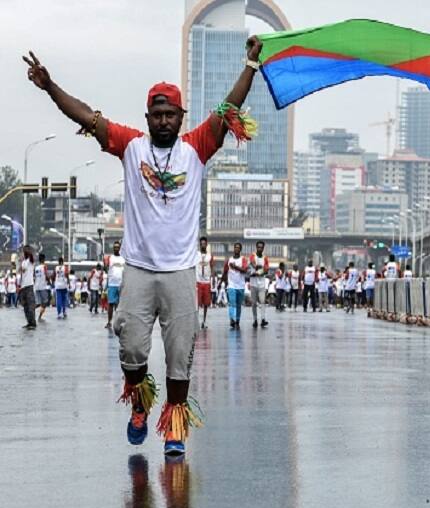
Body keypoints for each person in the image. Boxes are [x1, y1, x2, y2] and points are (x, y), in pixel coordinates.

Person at [23, 35, 263, 455]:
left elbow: (230, 108)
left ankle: (174, 427)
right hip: (137, 269)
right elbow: (86, 115)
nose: (164, 121)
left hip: (180, 271)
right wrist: (50, 87)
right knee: (131, 349)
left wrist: (251, 65)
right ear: (148, 117)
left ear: (181, 117)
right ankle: (139, 406)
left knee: (180, 355)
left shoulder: (197, 148)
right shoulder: (131, 146)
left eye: (171, 114)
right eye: (157, 115)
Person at [221, 242, 247, 329]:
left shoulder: (243, 259)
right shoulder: (229, 260)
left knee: (238, 305)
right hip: (231, 285)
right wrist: (221, 283)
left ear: (240, 249)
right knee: (232, 303)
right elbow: (225, 272)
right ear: (234, 249)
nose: (236, 249)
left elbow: (244, 270)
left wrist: (235, 267)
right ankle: (232, 319)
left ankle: (237, 321)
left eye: (238, 248)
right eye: (235, 247)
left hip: (240, 286)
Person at [248, 241, 269, 328]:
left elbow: (266, 270)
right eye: (258, 247)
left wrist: (257, 273)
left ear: (263, 248)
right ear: (256, 247)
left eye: (261, 247)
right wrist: (259, 268)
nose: (260, 249)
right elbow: (253, 264)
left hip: (262, 284)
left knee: (263, 301)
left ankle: (263, 319)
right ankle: (255, 320)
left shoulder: (265, 258)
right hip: (253, 284)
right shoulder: (252, 256)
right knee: (253, 303)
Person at [106, 240, 125, 329]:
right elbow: (106, 269)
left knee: (119, 305)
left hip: (121, 284)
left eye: (117, 247)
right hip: (112, 284)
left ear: (120, 248)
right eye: (115, 247)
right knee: (111, 303)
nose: (116, 249)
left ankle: (117, 322)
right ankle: (109, 321)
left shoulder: (123, 258)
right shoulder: (110, 258)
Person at [196, 237, 214, 330]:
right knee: (197, 303)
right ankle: (197, 321)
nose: (203, 245)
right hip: (198, 281)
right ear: (199, 245)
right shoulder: (196, 255)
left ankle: (204, 321)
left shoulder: (210, 256)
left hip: (206, 282)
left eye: (204, 244)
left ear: (206, 244)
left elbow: (212, 267)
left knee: (206, 303)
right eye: (201, 244)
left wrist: (213, 279)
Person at [17, 245, 36, 329]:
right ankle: (29, 322)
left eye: (24, 251)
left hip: (29, 286)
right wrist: (19, 286)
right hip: (23, 286)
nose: (23, 253)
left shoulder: (30, 261)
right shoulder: (24, 262)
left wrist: (28, 250)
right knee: (25, 306)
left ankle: (33, 323)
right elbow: (20, 272)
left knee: (30, 305)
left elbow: (31, 256)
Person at [33, 253, 51, 322]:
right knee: (45, 302)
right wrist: (49, 282)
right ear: (43, 259)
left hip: (36, 287)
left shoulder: (36, 267)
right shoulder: (44, 266)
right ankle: (39, 317)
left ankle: (30, 310)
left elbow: (34, 277)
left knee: (38, 303)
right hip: (42, 286)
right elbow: (46, 275)